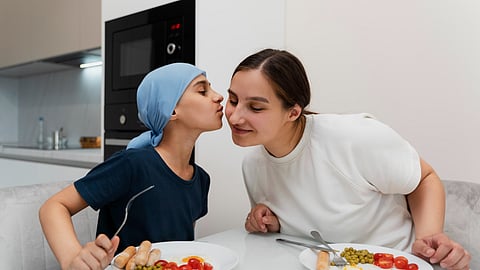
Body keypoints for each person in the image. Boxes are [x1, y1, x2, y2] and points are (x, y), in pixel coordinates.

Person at [225, 48, 471, 270]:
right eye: (233, 100)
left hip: (393, 263)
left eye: (255, 108)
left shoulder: (354, 138)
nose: (235, 117)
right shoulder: (253, 166)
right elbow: (314, 218)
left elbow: (424, 179)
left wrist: (428, 239)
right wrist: (274, 221)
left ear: (293, 112)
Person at [39, 63, 224, 270]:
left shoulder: (201, 180)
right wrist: (72, 257)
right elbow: (54, 207)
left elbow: (179, 248)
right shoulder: (131, 165)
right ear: (171, 109)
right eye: (202, 90)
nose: (218, 96)